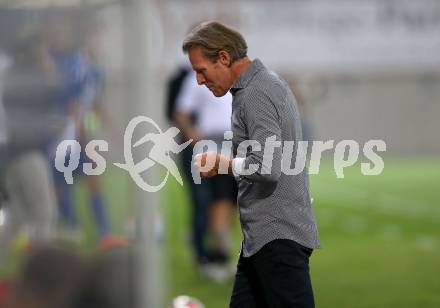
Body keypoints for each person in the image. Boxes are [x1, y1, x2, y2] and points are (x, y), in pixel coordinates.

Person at [182, 22, 320, 307]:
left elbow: (267, 167)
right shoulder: (254, 88)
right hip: (263, 237)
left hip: (277, 235)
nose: (198, 80)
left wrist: (222, 163)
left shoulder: (257, 92)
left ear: (223, 57)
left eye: (201, 70)